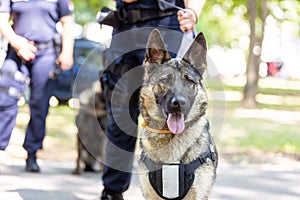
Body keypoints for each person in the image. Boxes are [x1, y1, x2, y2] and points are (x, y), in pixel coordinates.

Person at [99, 0, 206, 199]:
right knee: (121, 115)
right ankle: (112, 192)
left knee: (173, 115)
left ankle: (174, 191)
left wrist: (193, 11)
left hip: (169, 23)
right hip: (127, 27)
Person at [0, 0, 74, 172]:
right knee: (4, 99)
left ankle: (32, 152)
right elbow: (2, 19)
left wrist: (67, 52)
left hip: (46, 53)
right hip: (17, 51)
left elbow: (67, 22)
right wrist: (16, 42)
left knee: (39, 105)